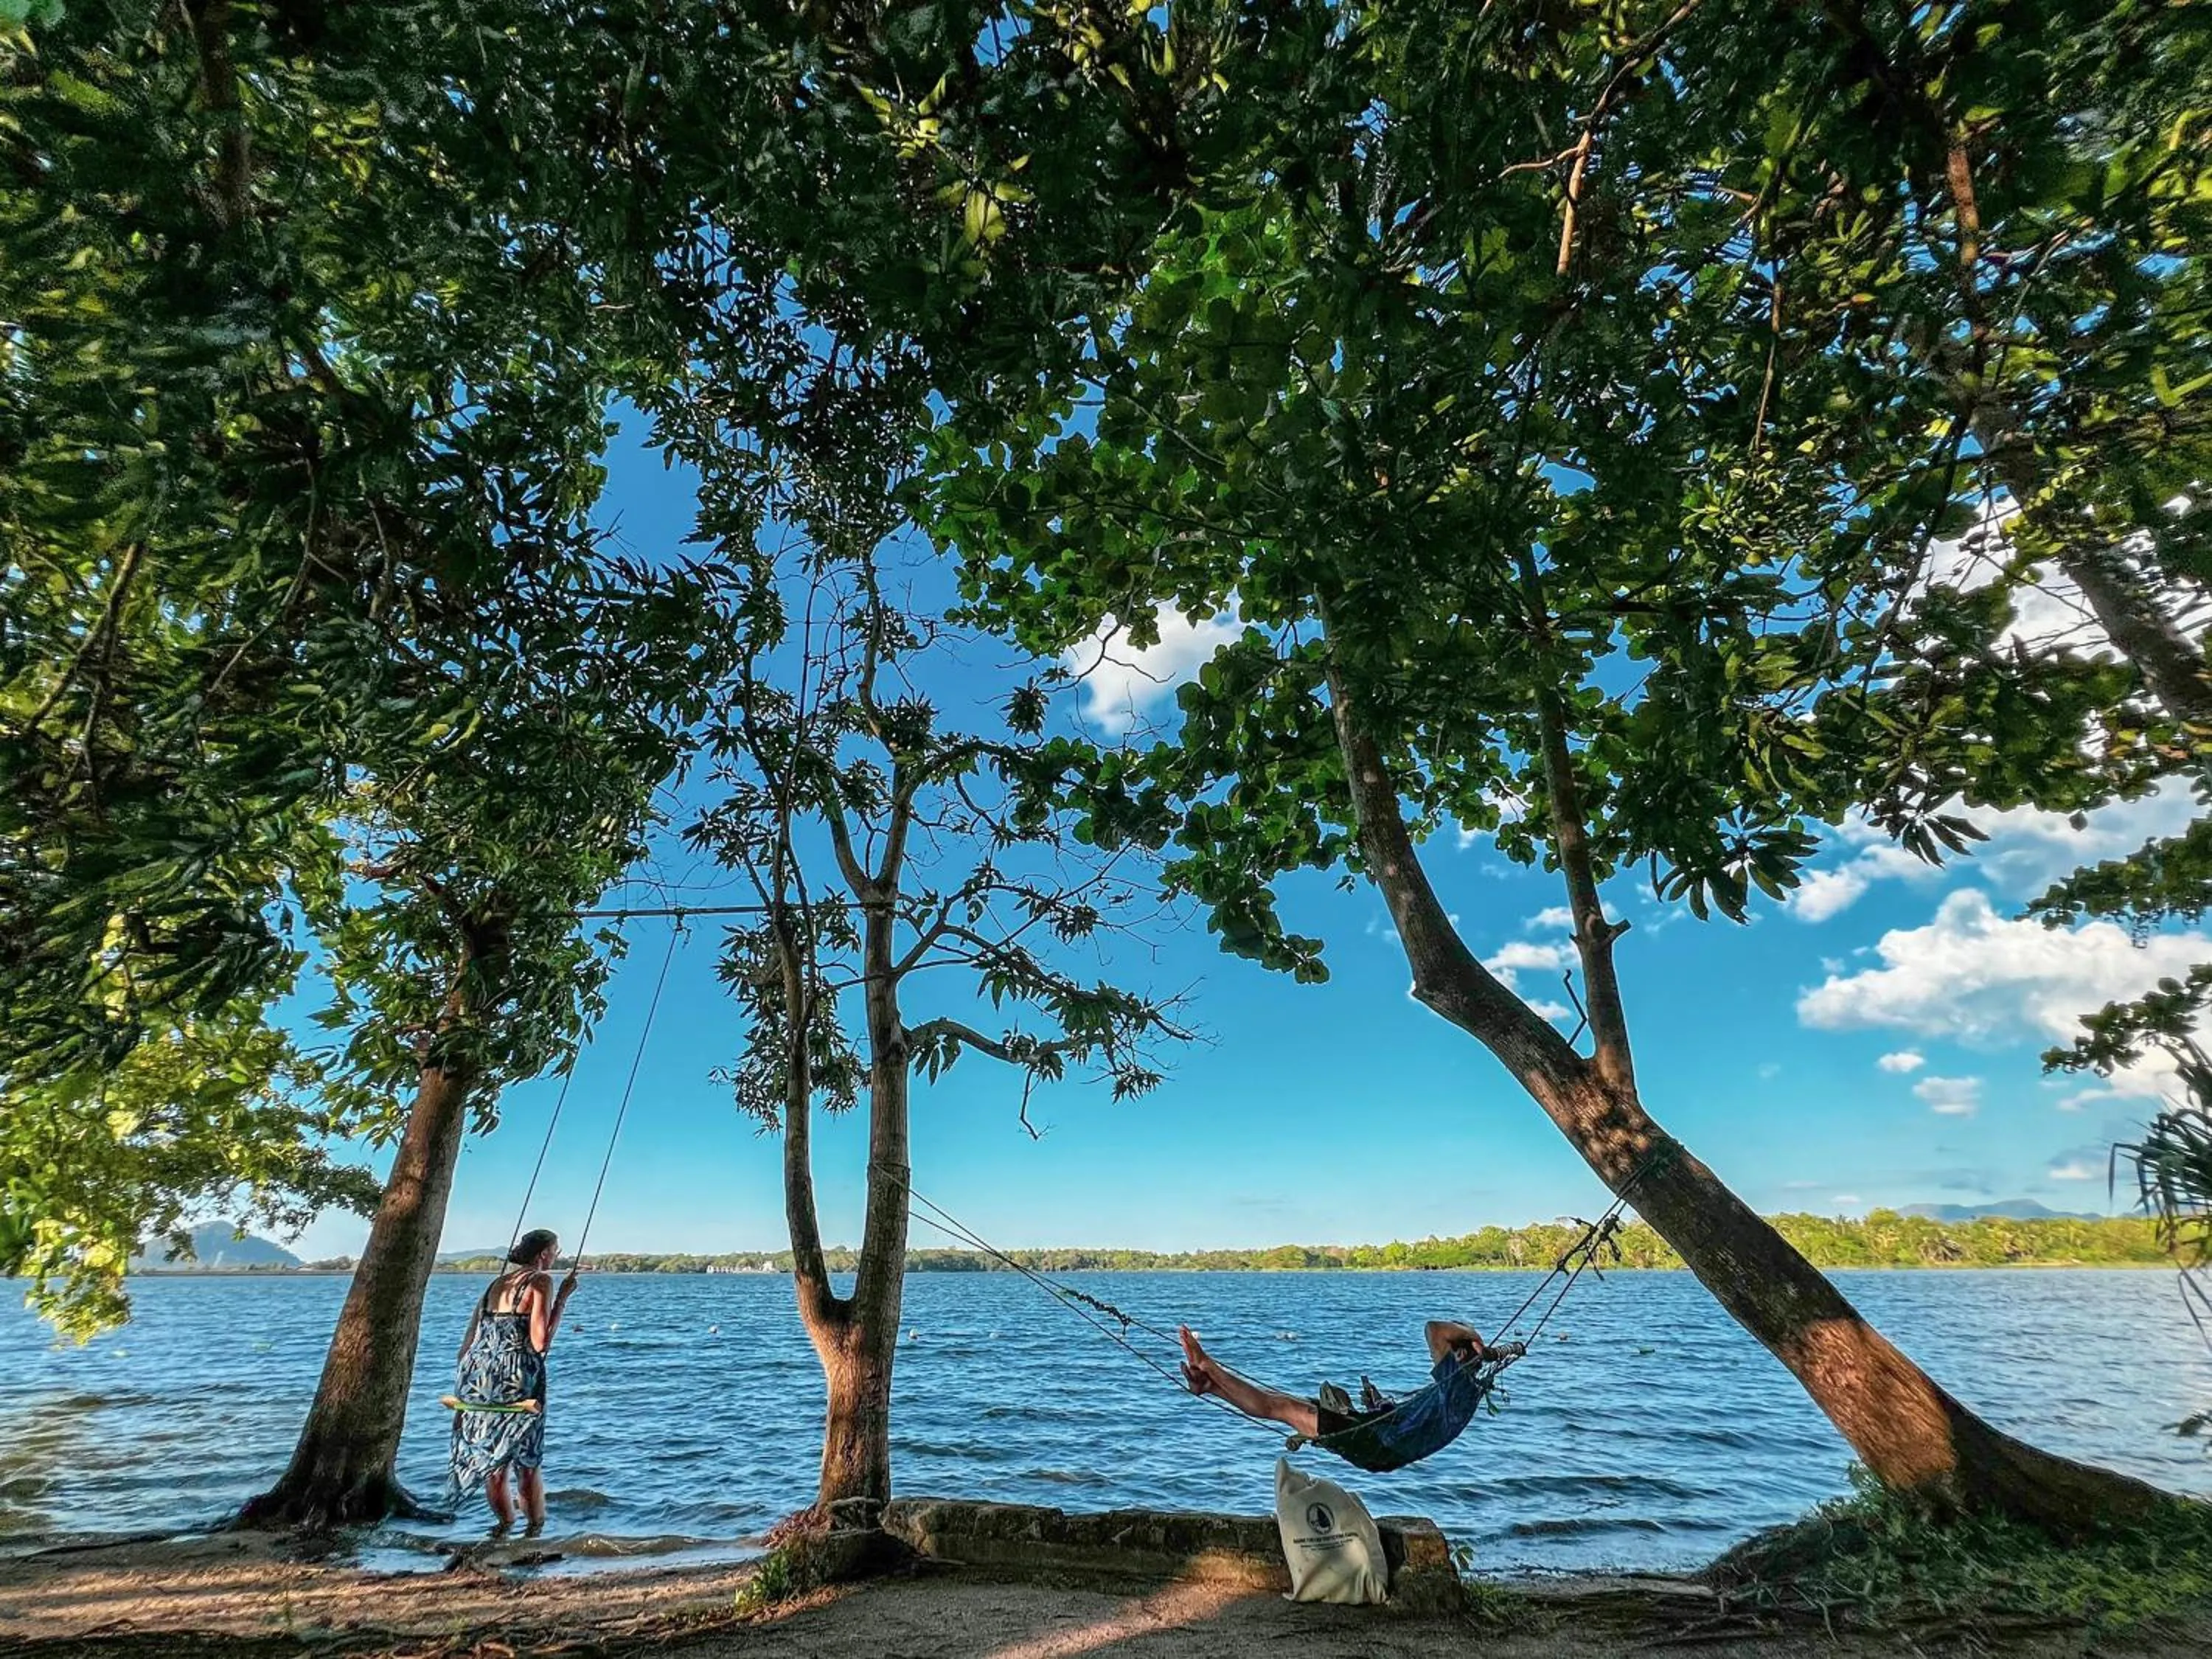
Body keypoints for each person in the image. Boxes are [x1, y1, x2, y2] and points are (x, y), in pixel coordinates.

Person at [1178, 1320, 1523, 1474]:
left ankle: (1207, 1366)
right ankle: (1210, 1386)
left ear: (1461, 1357)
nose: (1442, 1357)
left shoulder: (1459, 1387)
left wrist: (1474, 1337)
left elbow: (1434, 1330)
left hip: (1378, 1443)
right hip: (1376, 1436)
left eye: (1452, 1354)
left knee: (1281, 1407)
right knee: (1281, 1403)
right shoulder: (1459, 1393)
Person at [446, 1228, 579, 1534]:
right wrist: (562, 1300)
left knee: (494, 1464)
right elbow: (540, 1342)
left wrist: (462, 1400)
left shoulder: (496, 1285)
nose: (556, 1257)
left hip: (479, 1378)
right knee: (527, 1463)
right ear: (545, 1254)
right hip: (519, 1378)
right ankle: (534, 1532)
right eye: (556, 1251)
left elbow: (466, 1346)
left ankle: (503, 1528)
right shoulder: (541, 1280)